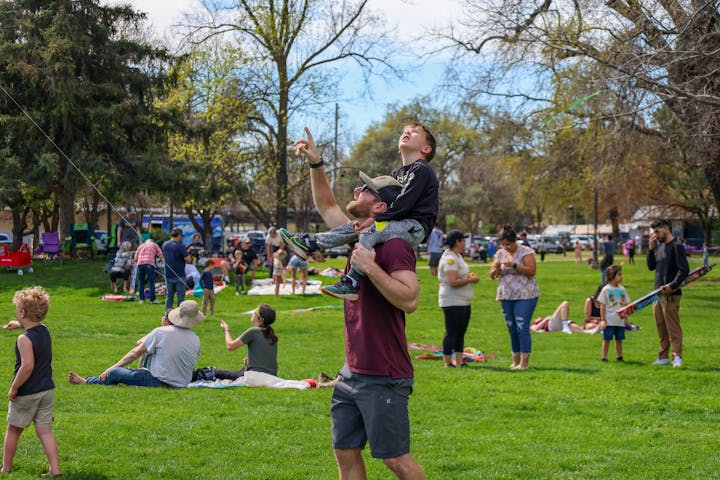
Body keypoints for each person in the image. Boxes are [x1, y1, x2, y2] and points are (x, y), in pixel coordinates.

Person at [294, 126, 427, 479]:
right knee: (345, 452)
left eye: (364, 189)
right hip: (351, 371)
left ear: (381, 206)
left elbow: (410, 299)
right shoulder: (357, 235)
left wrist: (371, 269)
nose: (356, 190)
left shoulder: (393, 245)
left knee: (395, 458)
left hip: (384, 374)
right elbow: (327, 206)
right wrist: (316, 164)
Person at [283, 123, 439, 301]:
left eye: (414, 132)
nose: (407, 133)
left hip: (414, 225)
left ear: (426, 148)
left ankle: (352, 281)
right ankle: (310, 243)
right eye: (404, 131)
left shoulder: (422, 169)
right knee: (355, 228)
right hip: (393, 222)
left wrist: (377, 219)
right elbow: (328, 207)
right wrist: (315, 162)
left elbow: (405, 201)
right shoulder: (396, 174)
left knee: (370, 230)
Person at [68, 300, 204, 387]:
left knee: (115, 373)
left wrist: (110, 368)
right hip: (182, 382)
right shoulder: (196, 339)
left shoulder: (161, 332)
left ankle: (88, 381)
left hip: (160, 382)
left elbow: (135, 353)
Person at [2, 287, 61, 477]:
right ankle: (55, 469)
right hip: (47, 390)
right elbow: (33, 327)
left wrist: (14, 387)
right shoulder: (44, 330)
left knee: (13, 429)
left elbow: (27, 367)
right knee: (44, 430)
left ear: (22, 312)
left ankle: (6, 467)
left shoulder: (24, 339)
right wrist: (18, 324)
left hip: (28, 392)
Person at [490, 226, 540, 370]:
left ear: (515, 241)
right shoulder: (500, 253)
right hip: (506, 295)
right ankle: (515, 361)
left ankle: (524, 363)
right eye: (503, 244)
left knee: (521, 327)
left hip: (525, 294)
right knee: (511, 328)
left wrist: (515, 265)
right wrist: (497, 268)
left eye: (509, 244)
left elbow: (532, 271)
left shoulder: (526, 252)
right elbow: (492, 275)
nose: (506, 247)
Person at [647, 219, 689, 367]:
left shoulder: (677, 245)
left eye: (657, 232)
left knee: (673, 327)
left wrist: (673, 285)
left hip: (671, 294)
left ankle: (677, 356)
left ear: (665, 228)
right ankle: (663, 356)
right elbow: (651, 267)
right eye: (654, 233)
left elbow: (684, 269)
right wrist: (651, 249)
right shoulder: (659, 246)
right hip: (657, 293)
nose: (655, 235)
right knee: (661, 326)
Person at [437, 230, 480, 368]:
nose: (464, 243)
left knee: (461, 332)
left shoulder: (458, 256)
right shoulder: (449, 258)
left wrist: (468, 278)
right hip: (453, 301)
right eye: (463, 240)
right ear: (457, 241)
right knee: (452, 332)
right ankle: (448, 362)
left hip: (463, 300)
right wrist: (470, 280)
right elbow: (452, 281)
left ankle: (460, 361)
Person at [211, 304, 278, 381]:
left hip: (256, 376)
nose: (253, 312)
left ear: (259, 319)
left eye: (255, 311)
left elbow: (230, 346)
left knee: (215, 372)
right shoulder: (271, 333)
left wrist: (227, 330)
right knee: (234, 373)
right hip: (271, 375)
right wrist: (251, 361)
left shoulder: (253, 331)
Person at [597, 265, 631, 362]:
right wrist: (603, 320)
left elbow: (625, 305)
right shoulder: (606, 290)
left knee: (619, 339)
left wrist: (626, 319)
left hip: (620, 321)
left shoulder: (622, 289)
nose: (621, 276)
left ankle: (619, 356)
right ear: (612, 276)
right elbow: (602, 306)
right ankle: (604, 357)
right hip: (609, 321)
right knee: (607, 339)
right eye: (619, 274)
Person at [162, 228, 192, 310]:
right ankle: (180, 316)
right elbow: (188, 259)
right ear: (178, 235)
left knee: (169, 296)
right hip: (180, 275)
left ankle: (167, 315)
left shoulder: (165, 245)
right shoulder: (180, 246)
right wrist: (189, 254)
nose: (181, 238)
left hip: (168, 274)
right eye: (181, 236)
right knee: (181, 298)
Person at [134, 237, 163, 304]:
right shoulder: (154, 244)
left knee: (141, 282)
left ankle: (142, 300)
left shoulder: (141, 246)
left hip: (140, 264)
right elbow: (160, 255)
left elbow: (135, 258)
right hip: (149, 263)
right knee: (151, 282)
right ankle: (152, 300)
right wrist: (160, 259)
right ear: (152, 241)